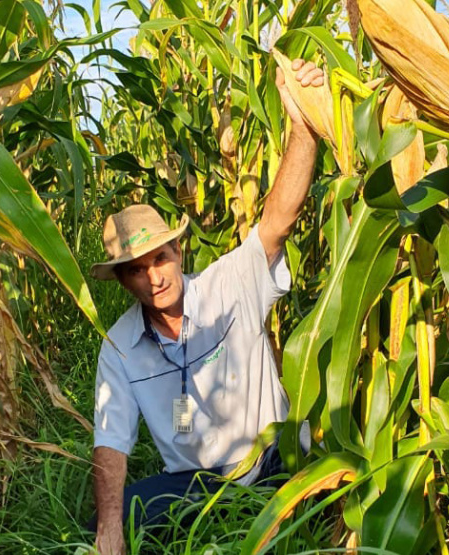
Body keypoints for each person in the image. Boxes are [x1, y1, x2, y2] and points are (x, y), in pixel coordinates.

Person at [89, 58, 324, 555]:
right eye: (137, 269)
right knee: (117, 512)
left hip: (275, 462)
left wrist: (303, 127)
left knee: (321, 496)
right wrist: (109, 529)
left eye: (161, 258)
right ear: (123, 281)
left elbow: (278, 221)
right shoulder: (120, 350)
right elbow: (111, 440)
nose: (154, 277)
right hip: (201, 486)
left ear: (178, 253)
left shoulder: (229, 284)